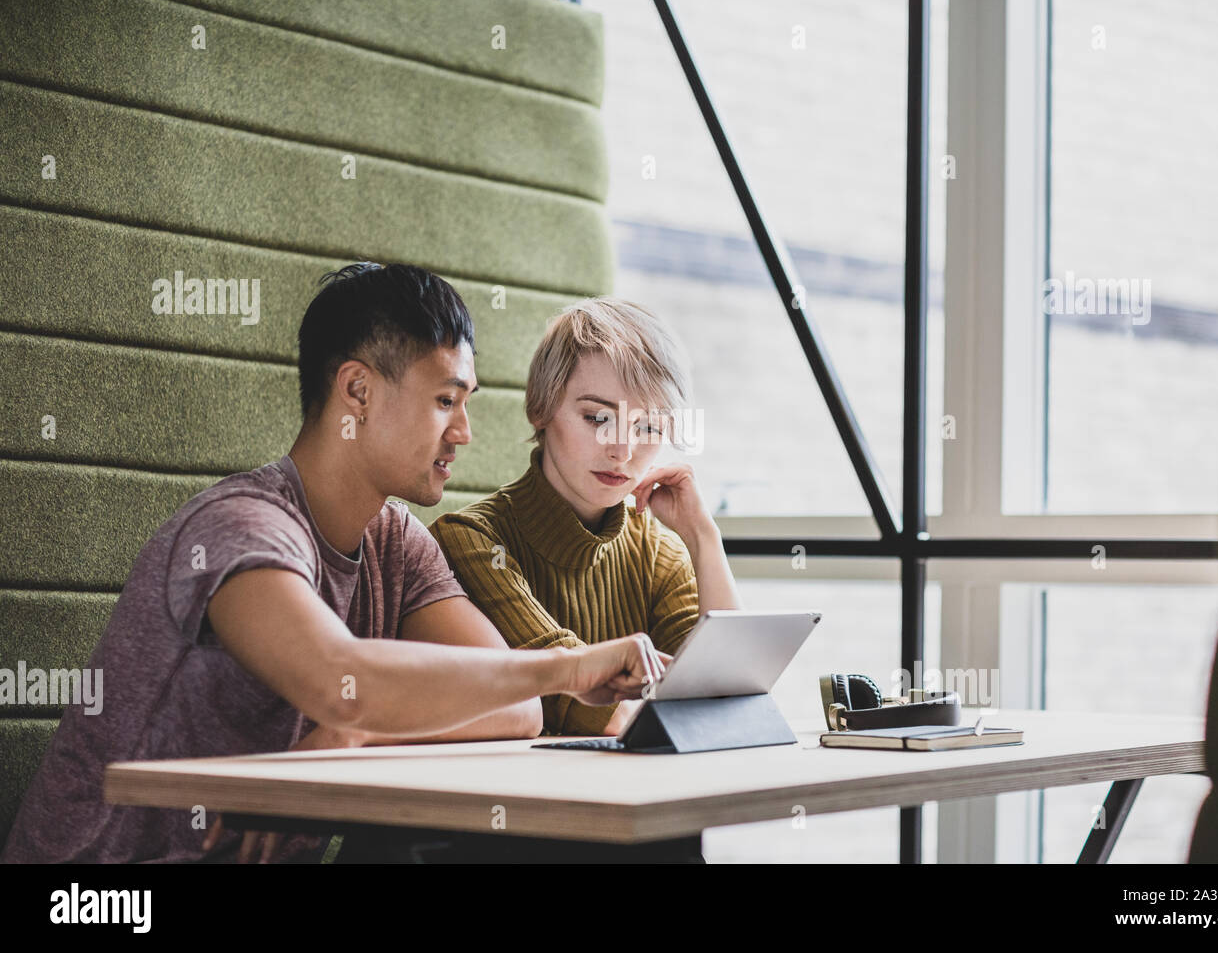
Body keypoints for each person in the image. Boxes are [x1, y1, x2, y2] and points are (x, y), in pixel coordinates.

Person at [0, 264, 663, 864]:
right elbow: (335, 675)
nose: (464, 432)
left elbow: (515, 708)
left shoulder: (396, 539)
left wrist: (354, 729)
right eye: (444, 401)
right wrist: (572, 668)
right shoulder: (239, 527)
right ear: (358, 391)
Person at [433, 297, 741, 737]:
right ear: (540, 409)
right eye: (598, 417)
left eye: (648, 427)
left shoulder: (659, 552)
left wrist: (702, 537)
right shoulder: (473, 540)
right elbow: (582, 702)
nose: (623, 450)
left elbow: (730, 699)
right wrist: (688, 711)